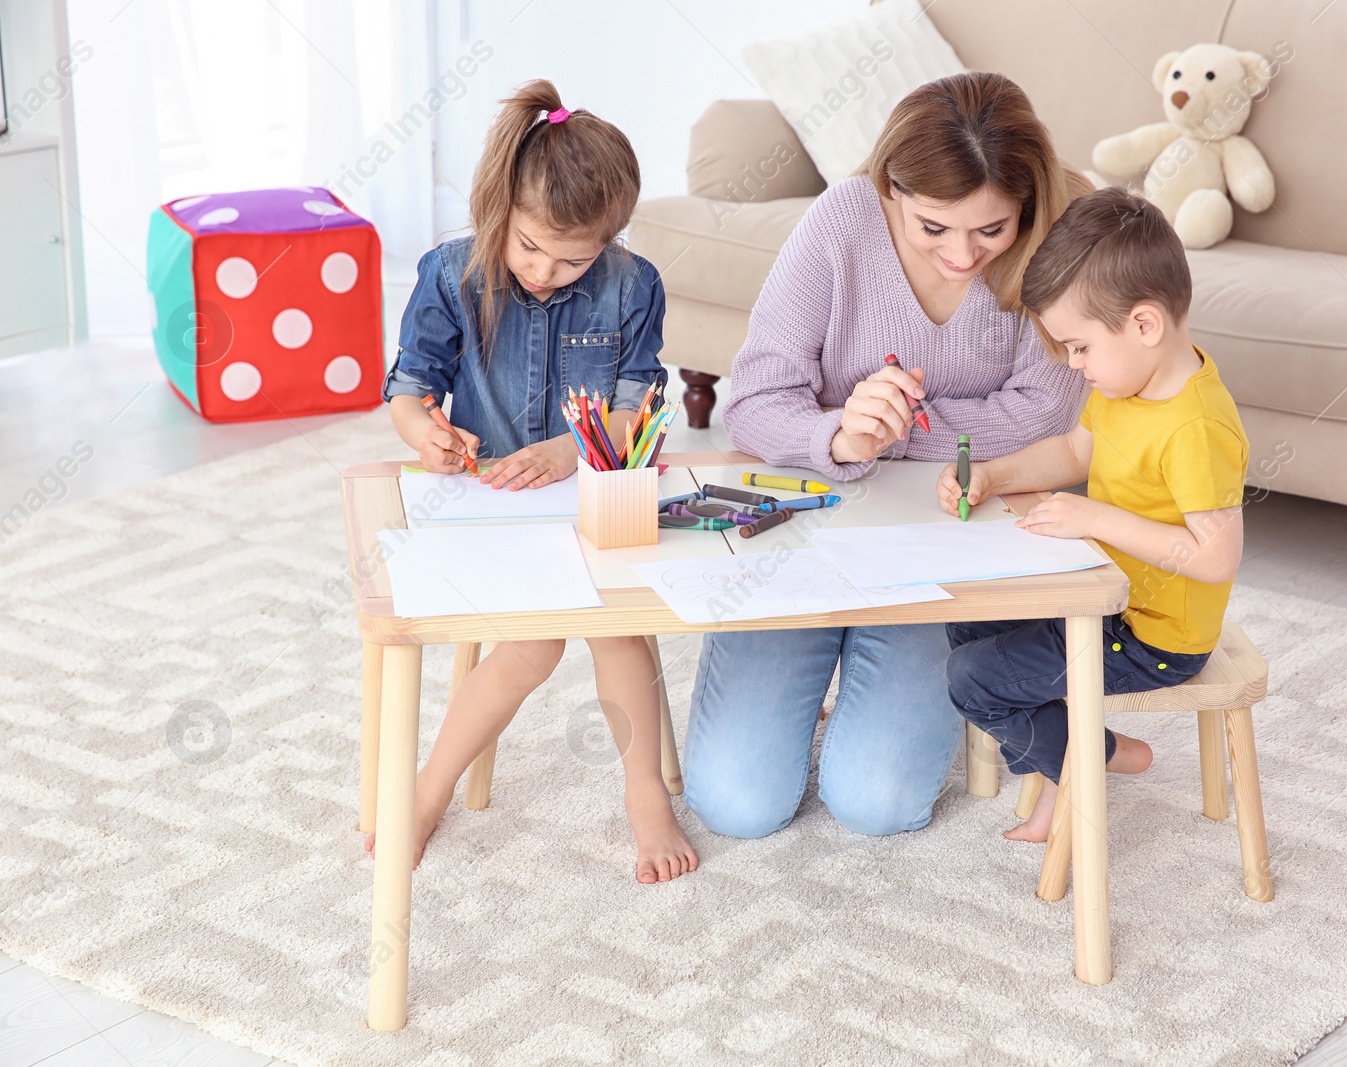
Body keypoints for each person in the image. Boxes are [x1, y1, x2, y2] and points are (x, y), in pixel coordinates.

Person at [687, 72, 1094, 839]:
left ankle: (860, 678)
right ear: (891, 190)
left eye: (991, 229)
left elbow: (1044, 416)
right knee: (737, 803)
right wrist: (836, 435)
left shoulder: (1057, 233)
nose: (963, 255)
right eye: (933, 227)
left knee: (878, 802)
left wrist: (900, 432)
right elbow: (754, 400)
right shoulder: (841, 221)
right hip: (803, 529)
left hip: (943, 540)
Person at [376, 79, 695, 883]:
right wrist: (429, 434)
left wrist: (567, 452)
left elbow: (639, 407)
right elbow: (409, 389)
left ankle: (645, 793)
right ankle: (426, 790)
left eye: (573, 256)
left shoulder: (631, 284)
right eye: (529, 248)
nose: (547, 271)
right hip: (490, 506)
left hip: (593, 496)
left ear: (609, 238)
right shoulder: (452, 274)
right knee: (531, 642)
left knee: (617, 627)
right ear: (499, 209)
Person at [940, 185, 1249, 841]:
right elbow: (1072, 448)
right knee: (970, 614)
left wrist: (1096, 519)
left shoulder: (1193, 426)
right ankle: (1098, 748)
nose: (1074, 367)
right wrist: (994, 475)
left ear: (1144, 324)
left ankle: (1079, 766)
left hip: (1155, 638)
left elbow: (1217, 554)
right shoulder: (1127, 381)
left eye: (1079, 347)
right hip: (1104, 592)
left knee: (974, 679)